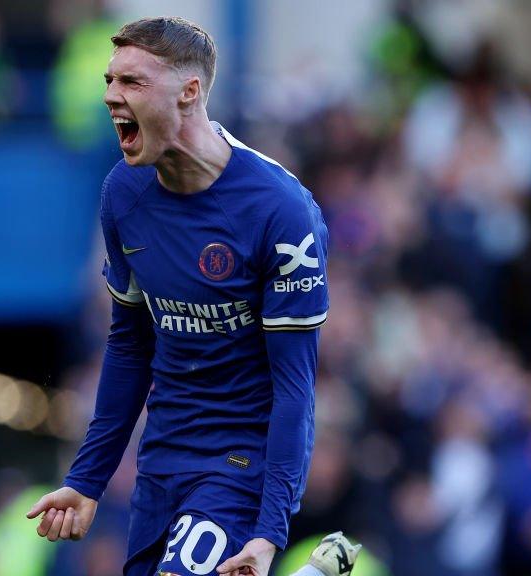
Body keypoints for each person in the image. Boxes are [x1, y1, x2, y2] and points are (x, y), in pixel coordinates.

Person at [26, 16, 331, 575]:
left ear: (189, 92)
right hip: (162, 460)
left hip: (240, 462)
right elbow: (128, 346)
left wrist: (270, 529)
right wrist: (87, 479)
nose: (111, 96)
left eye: (133, 83)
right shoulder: (123, 192)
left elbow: (295, 387)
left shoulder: (280, 211)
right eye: (110, 80)